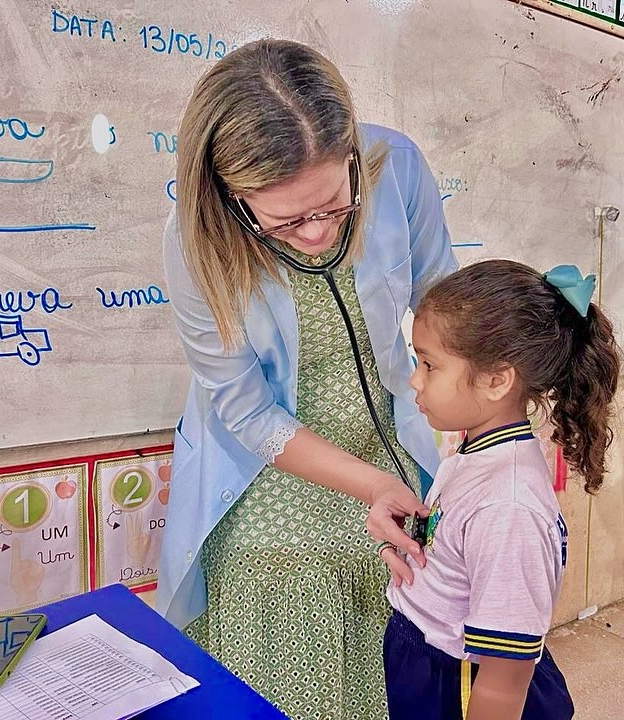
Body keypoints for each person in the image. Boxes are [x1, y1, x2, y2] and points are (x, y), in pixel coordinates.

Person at [156, 39, 457, 720]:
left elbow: (446, 305)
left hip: (386, 433)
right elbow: (250, 413)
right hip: (265, 464)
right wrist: (374, 485)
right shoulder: (192, 238)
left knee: (404, 596)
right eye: (288, 220)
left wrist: (485, 432)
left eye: (333, 204)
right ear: (233, 198)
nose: (320, 234)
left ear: (352, 154)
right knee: (288, 573)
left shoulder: (397, 166)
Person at [373, 260, 621, 720]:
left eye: (429, 364)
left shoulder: (509, 507)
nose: (414, 379)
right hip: (429, 663)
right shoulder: (476, 449)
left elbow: (504, 685)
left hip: (462, 686)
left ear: (496, 380)